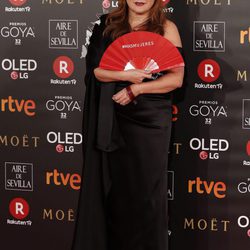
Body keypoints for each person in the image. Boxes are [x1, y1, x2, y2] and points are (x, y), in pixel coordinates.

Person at [71, 1, 185, 250]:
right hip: (113, 118)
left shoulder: (166, 27)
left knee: (147, 197)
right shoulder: (107, 25)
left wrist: (137, 88)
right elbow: (97, 72)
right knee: (116, 197)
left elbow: (176, 79)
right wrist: (126, 76)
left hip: (151, 122)